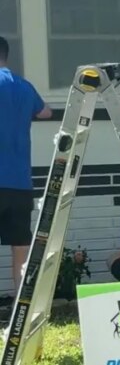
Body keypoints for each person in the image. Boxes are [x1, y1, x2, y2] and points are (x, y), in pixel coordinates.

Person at [0, 36, 51, 291]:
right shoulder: (23, 86)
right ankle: (22, 301)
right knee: (20, 245)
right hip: (20, 183)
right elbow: (45, 112)